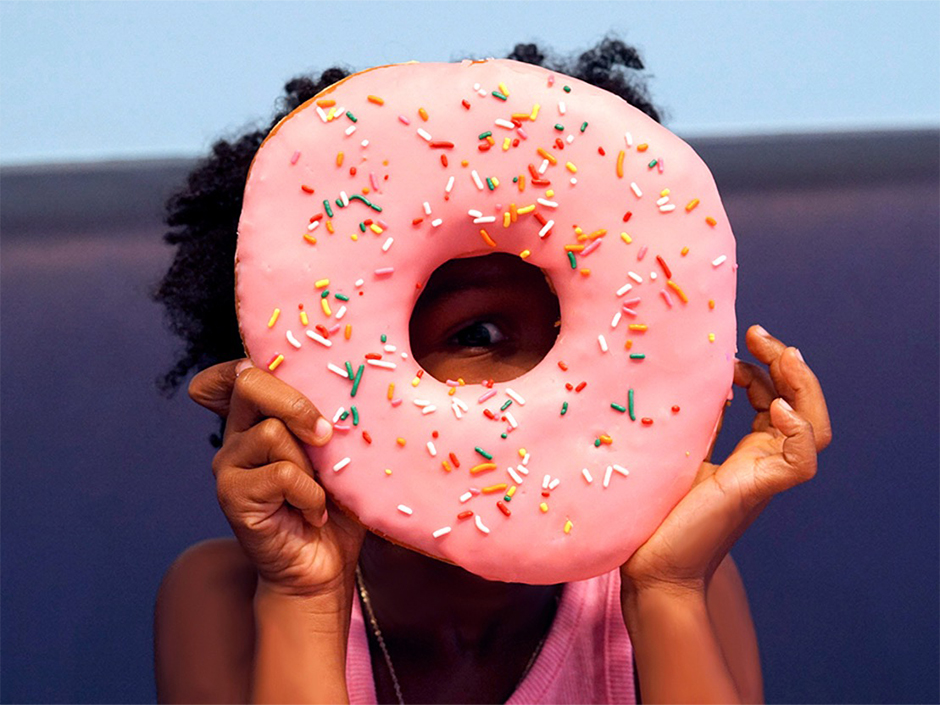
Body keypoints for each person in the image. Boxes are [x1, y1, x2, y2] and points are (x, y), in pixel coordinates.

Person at [152, 39, 832, 704]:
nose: (564, 388)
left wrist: (668, 592)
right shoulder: (225, 597)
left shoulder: (682, 577)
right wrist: (303, 596)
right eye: (479, 335)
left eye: (578, 339)